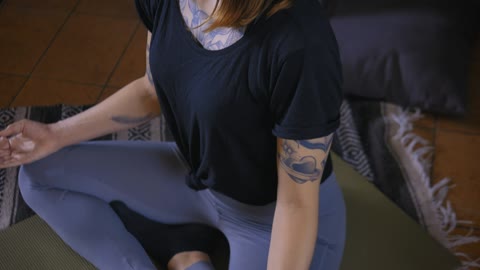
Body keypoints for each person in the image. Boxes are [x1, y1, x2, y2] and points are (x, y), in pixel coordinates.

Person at [0, 0, 346, 269]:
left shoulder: (301, 41)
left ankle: (185, 253)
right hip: (194, 180)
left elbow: (296, 203)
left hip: (272, 217)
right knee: (39, 174)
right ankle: (183, 253)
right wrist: (55, 134)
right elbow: (152, 91)